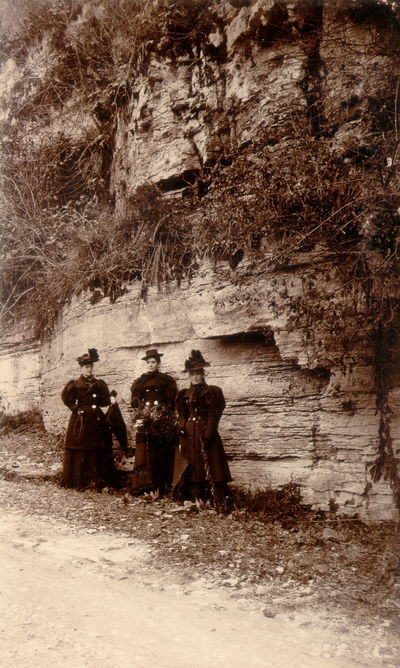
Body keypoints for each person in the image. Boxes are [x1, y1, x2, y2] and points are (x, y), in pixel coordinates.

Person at [173, 349, 232, 509]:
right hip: (190, 434)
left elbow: (213, 416)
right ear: (188, 375)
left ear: (203, 373)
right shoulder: (184, 394)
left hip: (206, 432)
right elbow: (183, 415)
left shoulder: (212, 392)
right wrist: (181, 428)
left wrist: (208, 436)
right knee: (193, 465)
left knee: (210, 464)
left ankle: (213, 500)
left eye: (198, 373)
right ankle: (194, 498)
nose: (195, 377)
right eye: (192, 374)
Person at [61, 348, 116, 491]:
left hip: (97, 419)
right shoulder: (75, 384)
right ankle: (79, 481)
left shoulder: (99, 384)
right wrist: (76, 408)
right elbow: (68, 400)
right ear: (81, 368)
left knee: (98, 447)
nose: (89, 369)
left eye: (91, 367)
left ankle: (97, 481)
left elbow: (103, 402)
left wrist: (111, 400)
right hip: (81, 419)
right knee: (81, 447)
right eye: (86, 367)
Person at [129, 348, 177, 496]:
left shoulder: (165, 380)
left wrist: (160, 411)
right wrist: (142, 410)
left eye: (153, 362)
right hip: (145, 418)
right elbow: (135, 400)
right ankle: (144, 485)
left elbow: (170, 401)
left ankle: (161, 485)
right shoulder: (141, 381)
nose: (150, 365)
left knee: (160, 451)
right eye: (148, 362)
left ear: (158, 363)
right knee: (145, 451)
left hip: (160, 420)